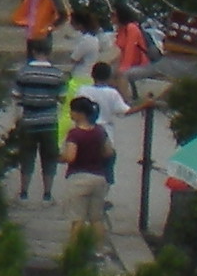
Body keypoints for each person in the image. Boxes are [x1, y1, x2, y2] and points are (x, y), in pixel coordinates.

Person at [8, 37, 70, 202]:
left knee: (27, 157)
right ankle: (47, 195)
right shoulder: (58, 74)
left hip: (28, 120)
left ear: (33, 51)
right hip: (49, 121)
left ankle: (23, 193)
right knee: (49, 158)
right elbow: (63, 98)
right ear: (50, 52)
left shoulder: (23, 72)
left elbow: (15, 95)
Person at [62, 96, 118, 239]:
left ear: (80, 113)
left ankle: (74, 252)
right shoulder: (99, 131)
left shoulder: (75, 134)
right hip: (99, 178)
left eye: (72, 111)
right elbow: (109, 152)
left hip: (79, 178)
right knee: (96, 219)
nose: (70, 114)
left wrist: (59, 157)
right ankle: (98, 250)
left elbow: (70, 157)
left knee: (77, 220)